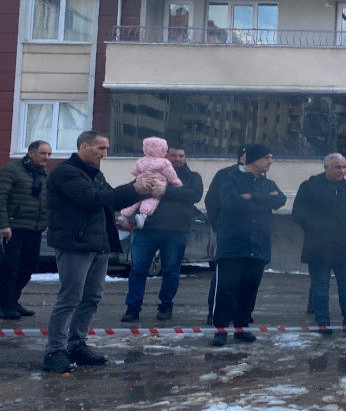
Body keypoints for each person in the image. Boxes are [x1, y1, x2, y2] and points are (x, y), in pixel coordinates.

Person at [43, 131, 153, 373]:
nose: (105, 154)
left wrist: (138, 192)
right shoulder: (65, 172)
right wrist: (133, 187)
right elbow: (91, 199)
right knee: (70, 298)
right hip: (75, 243)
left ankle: (77, 344)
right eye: (101, 149)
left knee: (91, 298)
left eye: (106, 149)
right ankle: (54, 351)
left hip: (98, 243)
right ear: (84, 146)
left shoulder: (94, 173)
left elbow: (110, 201)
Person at [210, 144, 285, 346]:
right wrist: (264, 201)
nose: (270, 161)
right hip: (233, 244)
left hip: (258, 245)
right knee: (226, 288)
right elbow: (231, 201)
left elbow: (281, 200)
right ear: (254, 159)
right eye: (267, 157)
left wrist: (253, 197)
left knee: (249, 289)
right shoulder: (230, 178)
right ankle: (220, 329)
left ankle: (242, 327)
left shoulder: (266, 183)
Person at [122, 142, 203, 323]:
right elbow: (131, 190)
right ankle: (132, 308)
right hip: (146, 230)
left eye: (181, 156)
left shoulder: (192, 177)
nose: (178, 160)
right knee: (137, 270)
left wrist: (166, 191)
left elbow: (194, 195)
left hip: (176, 231)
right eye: (173, 156)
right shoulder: (148, 171)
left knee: (171, 271)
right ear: (164, 156)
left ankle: (166, 306)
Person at [294, 154, 346, 331]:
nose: (341, 171)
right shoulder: (310, 186)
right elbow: (299, 213)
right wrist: (316, 228)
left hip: (344, 246)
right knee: (320, 285)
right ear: (326, 167)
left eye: (343, 167)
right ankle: (322, 322)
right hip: (319, 246)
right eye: (337, 167)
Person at [0, 141, 51, 319]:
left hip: (35, 228)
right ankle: (6, 305)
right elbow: (1, 197)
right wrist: (4, 225)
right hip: (14, 228)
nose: (46, 157)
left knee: (28, 267)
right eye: (43, 153)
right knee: (9, 268)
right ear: (31, 153)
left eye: (49, 154)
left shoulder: (45, 174)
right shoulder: (11, 170)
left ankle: (12, 301)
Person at [205, 146, 246, 323]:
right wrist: (219, 224)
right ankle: (214, 313)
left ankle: (240, 314)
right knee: (223, 274)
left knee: (245, 275)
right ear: (241, 156)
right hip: (228, 233)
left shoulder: (259, 176)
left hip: (250, 235)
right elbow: (212, 200)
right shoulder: (226, 174)